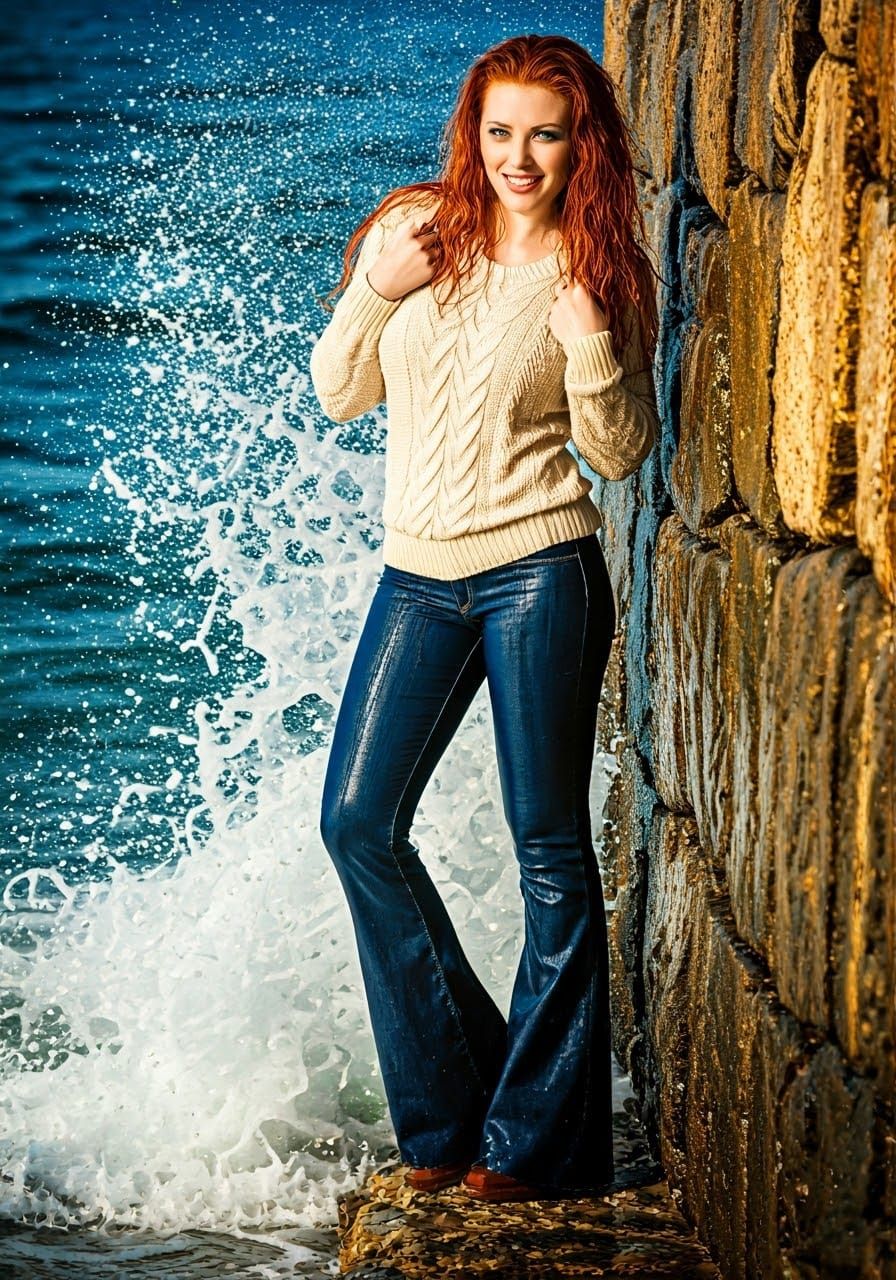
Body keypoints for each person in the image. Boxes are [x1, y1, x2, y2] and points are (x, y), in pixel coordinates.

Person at [311, 32, 660, 1203]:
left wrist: (592, 348)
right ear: (473, 129)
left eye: (544, 134)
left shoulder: (593, 264)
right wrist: (374, 287)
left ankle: (534, 1148)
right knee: (357, 821)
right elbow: (337, 388)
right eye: (499, 130)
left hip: (538, 571)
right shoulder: (411, 225)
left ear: (579, 145)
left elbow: (615, 453)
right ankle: (450, 1110)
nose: (518, 156)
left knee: (547, 850)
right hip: (415, 575)